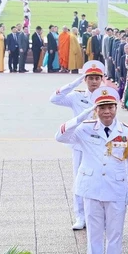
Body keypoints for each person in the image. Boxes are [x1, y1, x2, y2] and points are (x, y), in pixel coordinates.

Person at [55, 87, 128, 254]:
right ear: (95, 109)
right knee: (94, 235)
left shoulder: (127, 131)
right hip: (92, 188)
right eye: (102, 107)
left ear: (116, 107)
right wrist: (81, 116)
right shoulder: (85, 128)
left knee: (115, 235)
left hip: (116, 189)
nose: (107, 111)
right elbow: (60, 136)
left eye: (110, 107)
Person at [50, 60, 106, 229]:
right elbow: (54, 99)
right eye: (90, 78)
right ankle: (80, 216)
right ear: (85, 79)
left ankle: (98, 216)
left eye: (97, 78)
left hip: (99, 144)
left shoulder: (106, 97)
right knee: (79, 179)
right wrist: (74, 83)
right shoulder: (77, 96)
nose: (94, 81)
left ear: (102, 79)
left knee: (101, 178)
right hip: (80, 143)